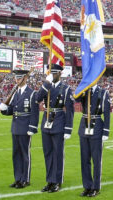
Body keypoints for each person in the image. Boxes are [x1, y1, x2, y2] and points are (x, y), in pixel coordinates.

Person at [36, 64, 74, 193]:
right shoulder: (46, 86)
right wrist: (46, 84)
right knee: (47, 154)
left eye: (55, 73)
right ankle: (50, 181)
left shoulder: (66, 89)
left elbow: (70, 110)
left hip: (58, 121)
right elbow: (37, 99)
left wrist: (68, 128)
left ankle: (57, 181)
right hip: (46, 120)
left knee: (57, 154)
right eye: (50, 73)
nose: (53, 75)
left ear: (60, 74)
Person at [0, 70, 39, 189]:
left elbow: (35, 113)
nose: (17, 80)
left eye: (19, 78)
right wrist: (4, 109)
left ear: (25, 78)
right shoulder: (15, 93)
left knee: (24, 154)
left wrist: (33, 127)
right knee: (16, 155)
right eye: (16, 78)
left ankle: (25, 179)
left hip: (25, 127)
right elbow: (12, 110)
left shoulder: (32, 93)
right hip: (15, 127)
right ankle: (18, 178)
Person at [75, 84, 110, 197]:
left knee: (96, 160)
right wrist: (82, 88)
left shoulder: (103, 92)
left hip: (97, 127)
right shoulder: (85, 90)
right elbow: (76, 99)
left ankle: (95, 187)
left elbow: (107, 114)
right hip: (84, 127)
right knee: (84, 160)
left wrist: (106, 131)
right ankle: (87, 186)